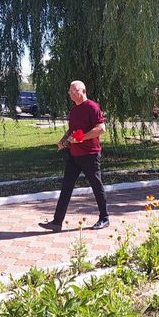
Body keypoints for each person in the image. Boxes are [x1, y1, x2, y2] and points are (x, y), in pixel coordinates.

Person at [39, 81, 110, 232]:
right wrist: (63, 141)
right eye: (69, 91)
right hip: (74, 155)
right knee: (66, 187)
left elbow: (101, 128)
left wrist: (82, 137)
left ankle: (104, 218)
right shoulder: (73, 110)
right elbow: (72, 131)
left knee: (97, 186)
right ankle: (57, 222)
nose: (70, 94)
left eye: (73, 91)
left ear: (83, 91)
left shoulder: (92, 107)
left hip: (90, 155)